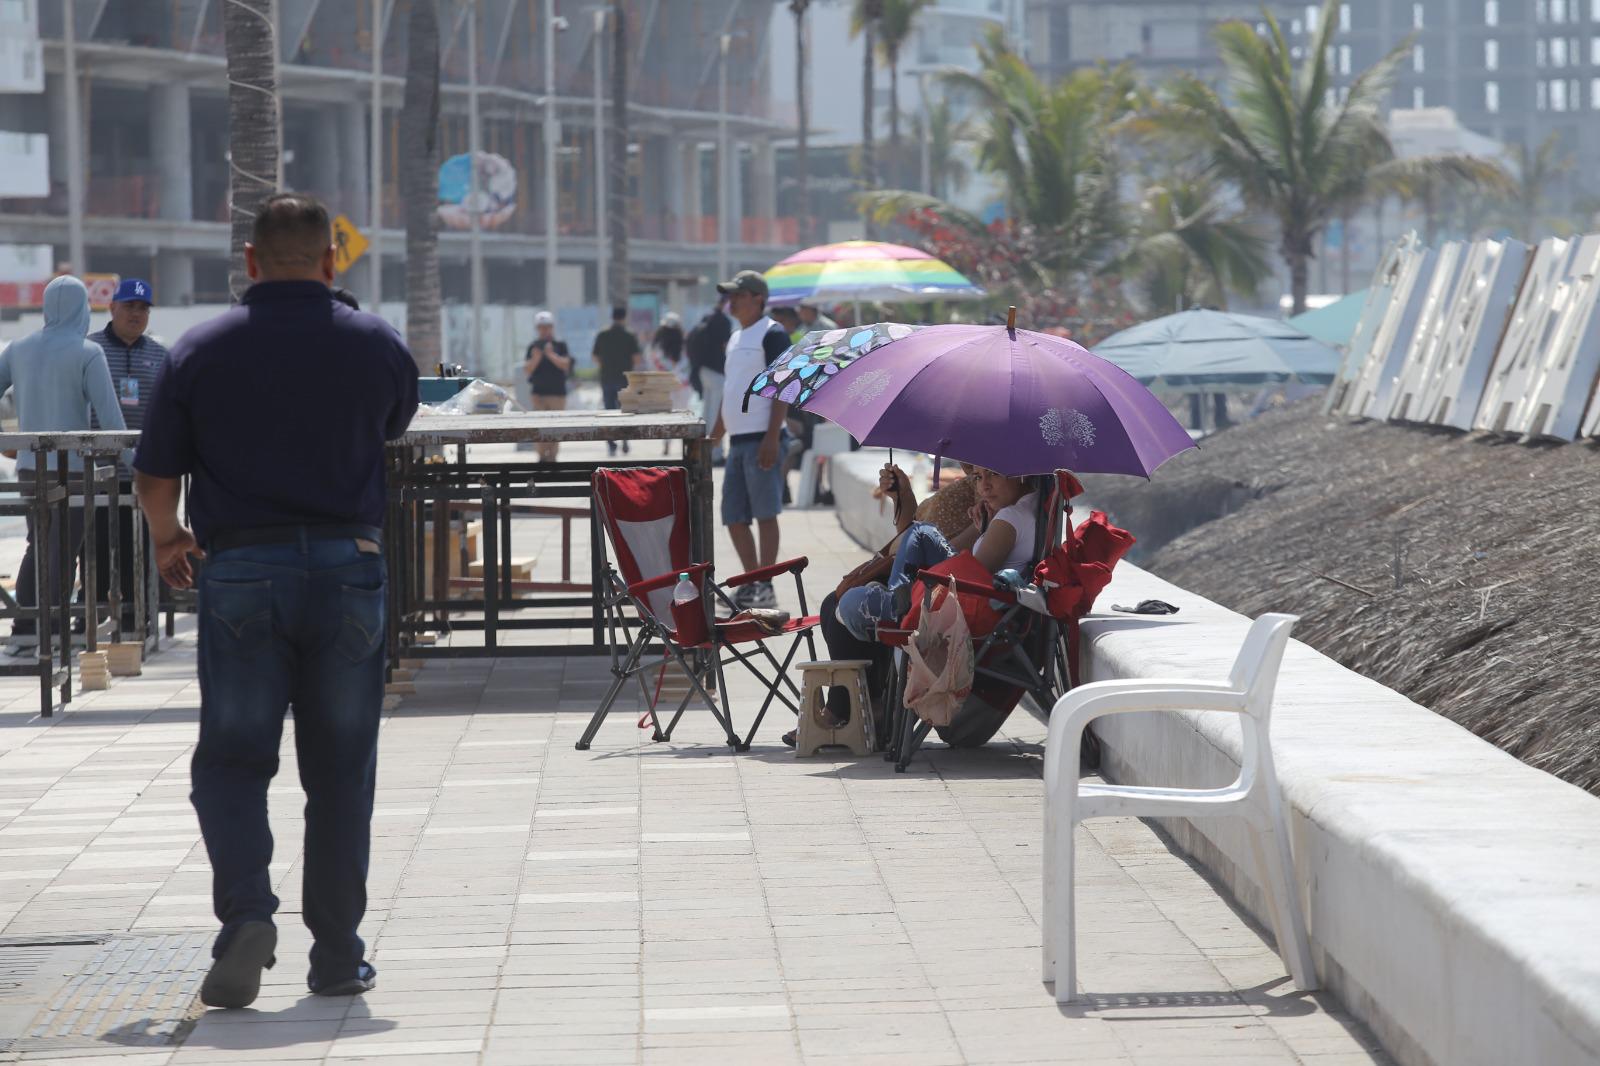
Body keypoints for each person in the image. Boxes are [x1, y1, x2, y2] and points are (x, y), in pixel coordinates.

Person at [134, 193, 419, 1009]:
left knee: (232, 759)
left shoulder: (200, 349)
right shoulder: (374, 343)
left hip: (242, 572)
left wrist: (168, 536)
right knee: (340, 770)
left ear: (250, 262)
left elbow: (156, 472)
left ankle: (248, 918)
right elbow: (394, 423)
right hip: (348, 568)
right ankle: (336, 954)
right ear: (332, 260)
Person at [797, 464, 978, 745]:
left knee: (851, 603)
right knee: (833, 605)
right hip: (920, 575)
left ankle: (853, 711)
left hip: (941, 587)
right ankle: (864, 708)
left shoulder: (995, 501)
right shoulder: (977, 484)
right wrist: (901, 496)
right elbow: (911, 536)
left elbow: (944, 549)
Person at [0, 276, 127, 654]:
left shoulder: (18, 349)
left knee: (36, 544)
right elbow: (112, 421)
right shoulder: (88, 352)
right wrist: (135, 462)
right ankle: (50, 631)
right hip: (73, 465)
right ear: (82, 307)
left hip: (28, 464)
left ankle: (25, 627)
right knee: (64, 547)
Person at [836, 466, 1037, 644]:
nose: (984, 486)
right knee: (921, 532)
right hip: (962, 591)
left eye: (994, 473)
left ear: (1019, 472)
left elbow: (970, 575)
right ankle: (899, 596)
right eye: (978, 477)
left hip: (966, 606)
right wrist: (981, 530)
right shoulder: (1028, 504)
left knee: (849, 603)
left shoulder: (1009, 518)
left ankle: (898, 604)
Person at [85, 277, 171, 635]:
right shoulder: (90, 349)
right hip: (97, 469)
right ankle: (91, 610)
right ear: (112, 308)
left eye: (143, 309)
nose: (136, 314)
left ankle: (139, 612)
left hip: (143, 472)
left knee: (139, 543)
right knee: (93, 545)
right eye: (129, 307)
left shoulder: (160, 355)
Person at [708, 270, 793, 611]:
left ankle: (766, 586)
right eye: (730, 296)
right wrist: (716, 434)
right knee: (733, 515)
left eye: (738, 295)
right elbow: (731, 392)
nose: (731, 302)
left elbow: (783, 386)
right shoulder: (734, 337)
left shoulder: (772, 334)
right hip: (738, 441)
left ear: (757, 298)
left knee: (765, 514)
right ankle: (749, 582)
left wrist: (773, 436)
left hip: (762, 438)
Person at [684, 299, 732, 462]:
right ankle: (716, 453)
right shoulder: (723, 321)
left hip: (703, 370)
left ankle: (704, 450)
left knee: (707, 412)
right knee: (717, 413)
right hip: (717, 371)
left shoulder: (706, 319)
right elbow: (726, 346)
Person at [524, 310, 573, 462]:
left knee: (556, 428)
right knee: (539, 428)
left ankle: (552, 457)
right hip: (539, 393)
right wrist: (536, 357)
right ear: (537, 328)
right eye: (541, 327)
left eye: (547, 326)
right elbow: (527, 370)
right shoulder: (533, 346)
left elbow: (565, 365)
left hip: (558, 394)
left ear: (552, 327)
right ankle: (541, 456)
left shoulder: (560, 344)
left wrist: (551, 355)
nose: (545, 330)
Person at [592, 304, 641, 455]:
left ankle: (611, 443)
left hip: (606, 378)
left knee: (608, 410)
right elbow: (637, 358)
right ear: (624, 317)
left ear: (612, 316)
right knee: (624, 410)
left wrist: (606, 363)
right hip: (624, 379)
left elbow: (595, 357)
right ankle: (625, 440)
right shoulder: (629, 335)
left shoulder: (602, 334)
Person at [645, 311, 693, 454]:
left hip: (664, 385)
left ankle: (667, 443)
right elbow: (688, 365)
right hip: (683, 385)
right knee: (684, 414)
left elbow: (651, 364)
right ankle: (686, 444)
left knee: (666, 416)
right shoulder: (685, 345)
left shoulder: (655, 346)